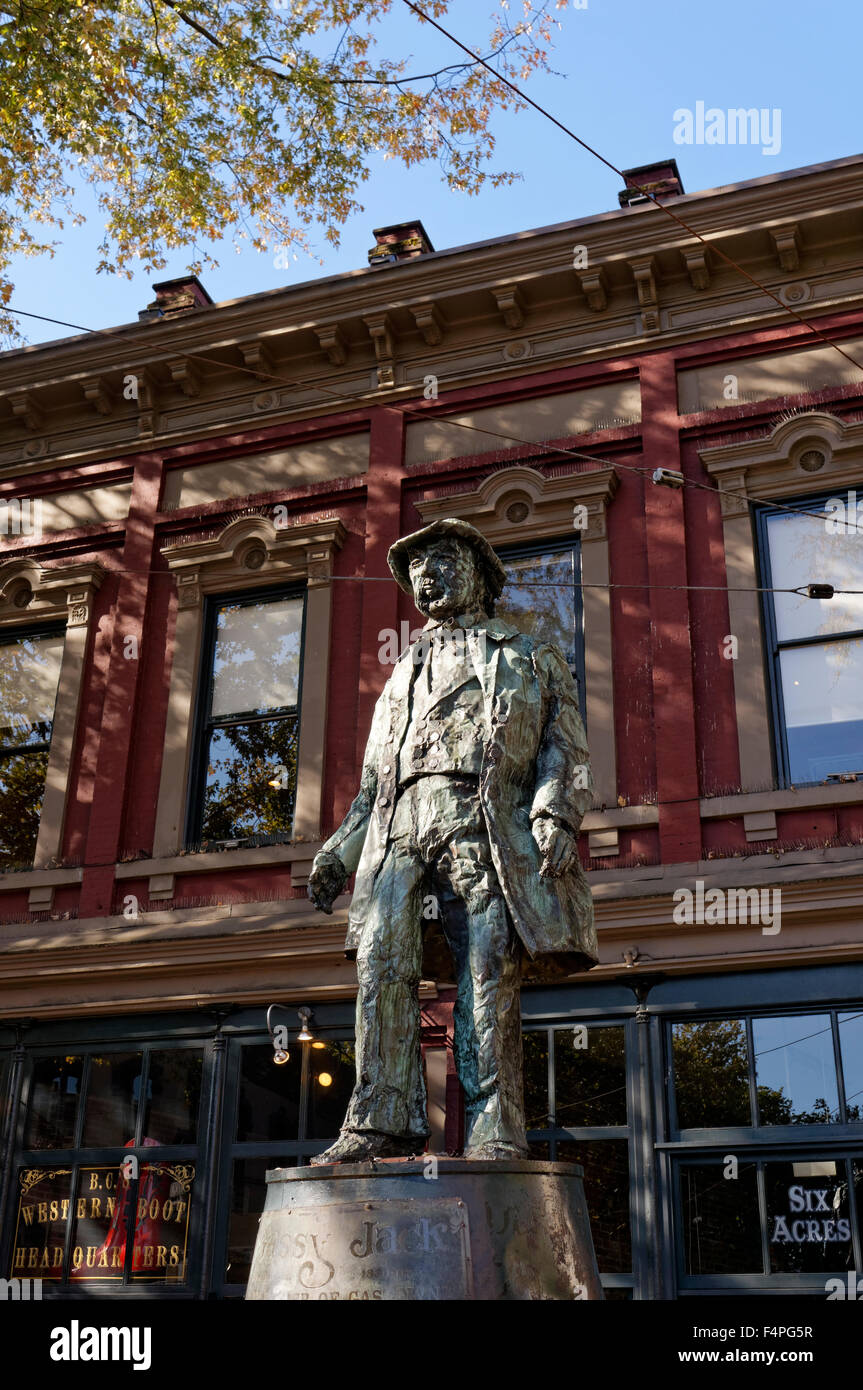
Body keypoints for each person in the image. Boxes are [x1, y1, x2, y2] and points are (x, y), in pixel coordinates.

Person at [307, 518, 597, 1162]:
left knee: (486, 968)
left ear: (481, 576)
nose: (425, 575)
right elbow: (374, 782)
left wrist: (553, 814)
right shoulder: (401, 671)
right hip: (399, 825)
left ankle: (496, 1126)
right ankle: (381, 1116)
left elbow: (566, 749)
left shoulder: (528, 655)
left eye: (440, 560)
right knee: (380, 961)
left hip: (481, 819)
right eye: (415, 568)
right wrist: (339, 849)